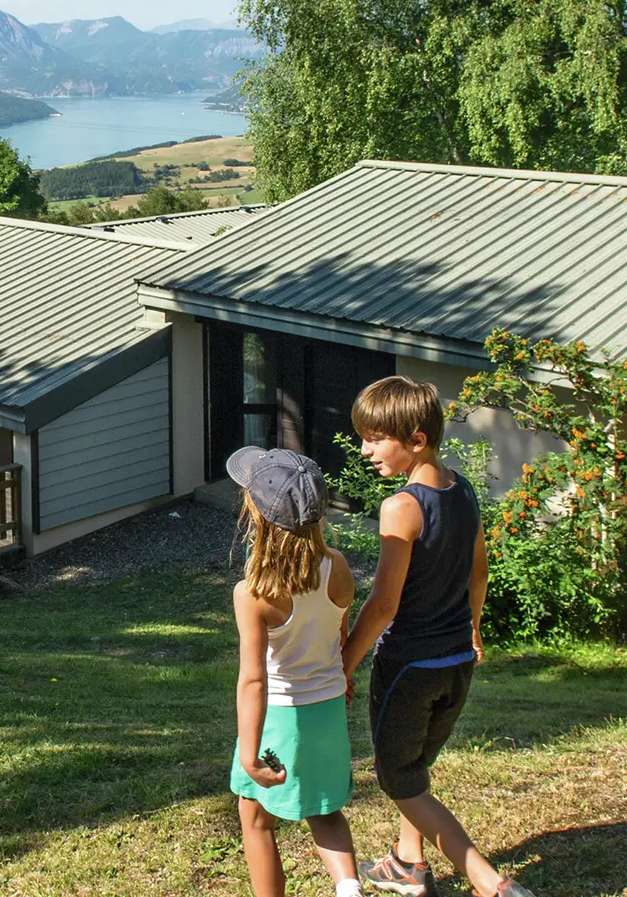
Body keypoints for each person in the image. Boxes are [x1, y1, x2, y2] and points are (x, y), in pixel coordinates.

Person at [342, 376, 533, 897]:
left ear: (417, 439)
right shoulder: (463, 490)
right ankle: (408, 863)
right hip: (456, 665)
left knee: (397, 778)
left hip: (409, 668)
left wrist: (344, 664)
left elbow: (383, 606)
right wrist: (471, 629)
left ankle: (489, 882)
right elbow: (479, 575)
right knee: (417, 765)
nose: (365, 450)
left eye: (376, 438)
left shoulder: (402, 507)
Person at [225, 445, 363, 897]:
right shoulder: (338, 568)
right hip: (327, 713)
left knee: (257, 819)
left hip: (281, 719)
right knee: (325, 812)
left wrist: (249, 753)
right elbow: (337, 638)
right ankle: (348, 888)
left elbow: (253, 679)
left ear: (256, 517)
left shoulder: (254, 592)